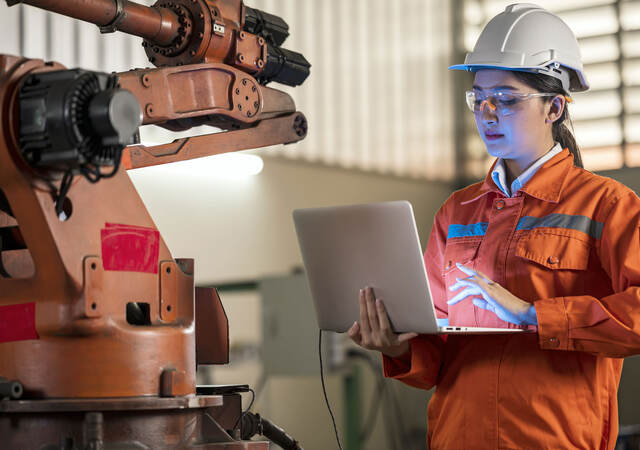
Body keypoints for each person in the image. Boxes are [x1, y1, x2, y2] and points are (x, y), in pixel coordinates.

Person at [347, 3, 640, 449]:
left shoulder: (607, 205)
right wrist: (396, 347)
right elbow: (436, 354)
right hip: (457, 437)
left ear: (554, 107)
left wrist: (531, 315)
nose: (486, 111)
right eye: (478, 96)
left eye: (506, 98)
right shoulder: (458, 211)